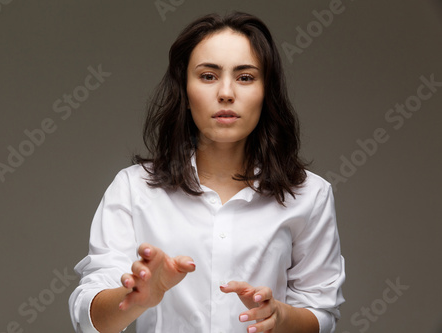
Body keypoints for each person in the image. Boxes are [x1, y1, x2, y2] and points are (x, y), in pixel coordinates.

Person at [69, 11, 345, 333]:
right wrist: (140, 297)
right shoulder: (133, 188)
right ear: (185, 92)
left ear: (266, 93)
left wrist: (281, 318)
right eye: (208, 76)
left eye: (245, 77)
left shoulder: (310, 195)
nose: (226, 93)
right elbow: (88, 315)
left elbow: (321, 313)